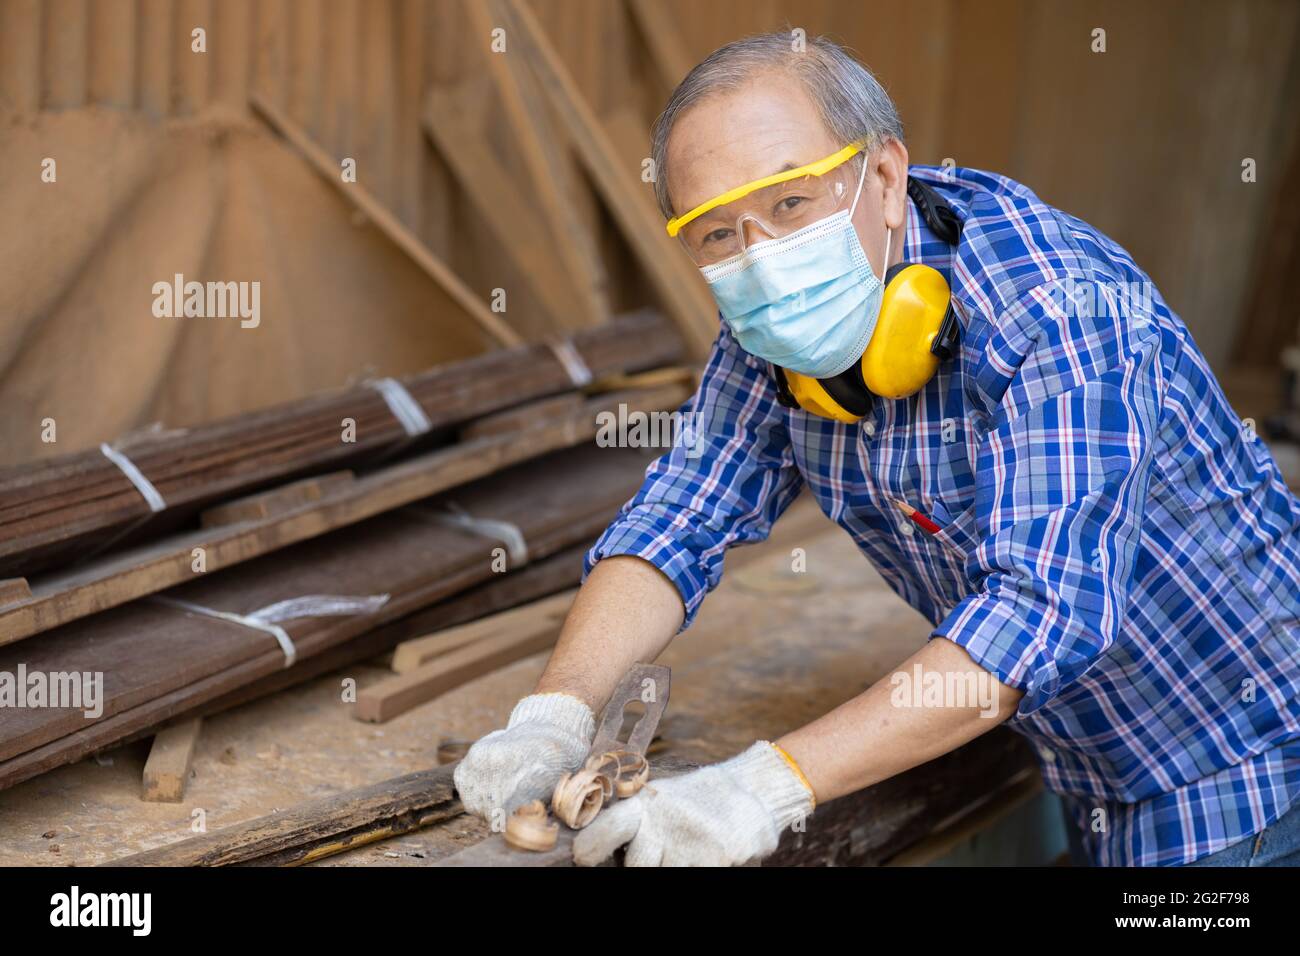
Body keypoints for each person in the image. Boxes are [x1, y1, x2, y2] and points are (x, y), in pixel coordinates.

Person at [455, 33, 1300, 867]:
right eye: (717, 234)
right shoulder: (775, 325)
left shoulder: (1060, 308)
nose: (764, 261)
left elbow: (1040, 613)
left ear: (887, 177)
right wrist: (556, 712)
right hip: (1086, 760)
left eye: (791, 203)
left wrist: (762, 788)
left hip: (1248, 765)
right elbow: (683, 512)